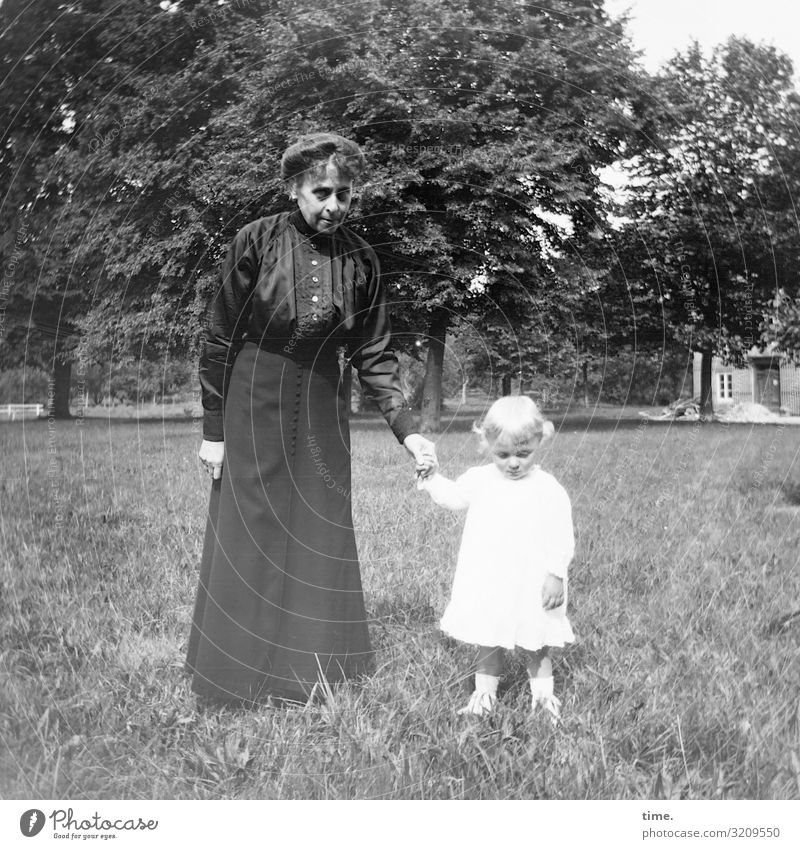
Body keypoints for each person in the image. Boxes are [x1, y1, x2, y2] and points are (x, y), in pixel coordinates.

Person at [186, 132, 437, 706]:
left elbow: (374, 354)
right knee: (252, 527)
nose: (333, 206)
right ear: (294, 187)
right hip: (255, 396)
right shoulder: (255, 240)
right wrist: (214, 430)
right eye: (321, 191)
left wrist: (410, 431)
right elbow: (220, 335)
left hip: (326, 403)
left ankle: (311, 672)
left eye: (344, 194)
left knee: (319, 524)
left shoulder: (363, 259)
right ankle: (234, 677)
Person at [416, 396, 574, 720]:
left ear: (539, 441)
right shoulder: (481, 479)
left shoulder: (547, 488)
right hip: (491, 580)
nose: (513, 463)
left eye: (523, 453)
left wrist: (556, 574)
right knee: (488, 641)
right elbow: (454, 496)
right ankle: (483, 698)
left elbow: (562, 534)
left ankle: (544, 703)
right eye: (502, 455)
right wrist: (432, 477)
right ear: (486, 444)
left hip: (533, 582)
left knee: (536, 643)